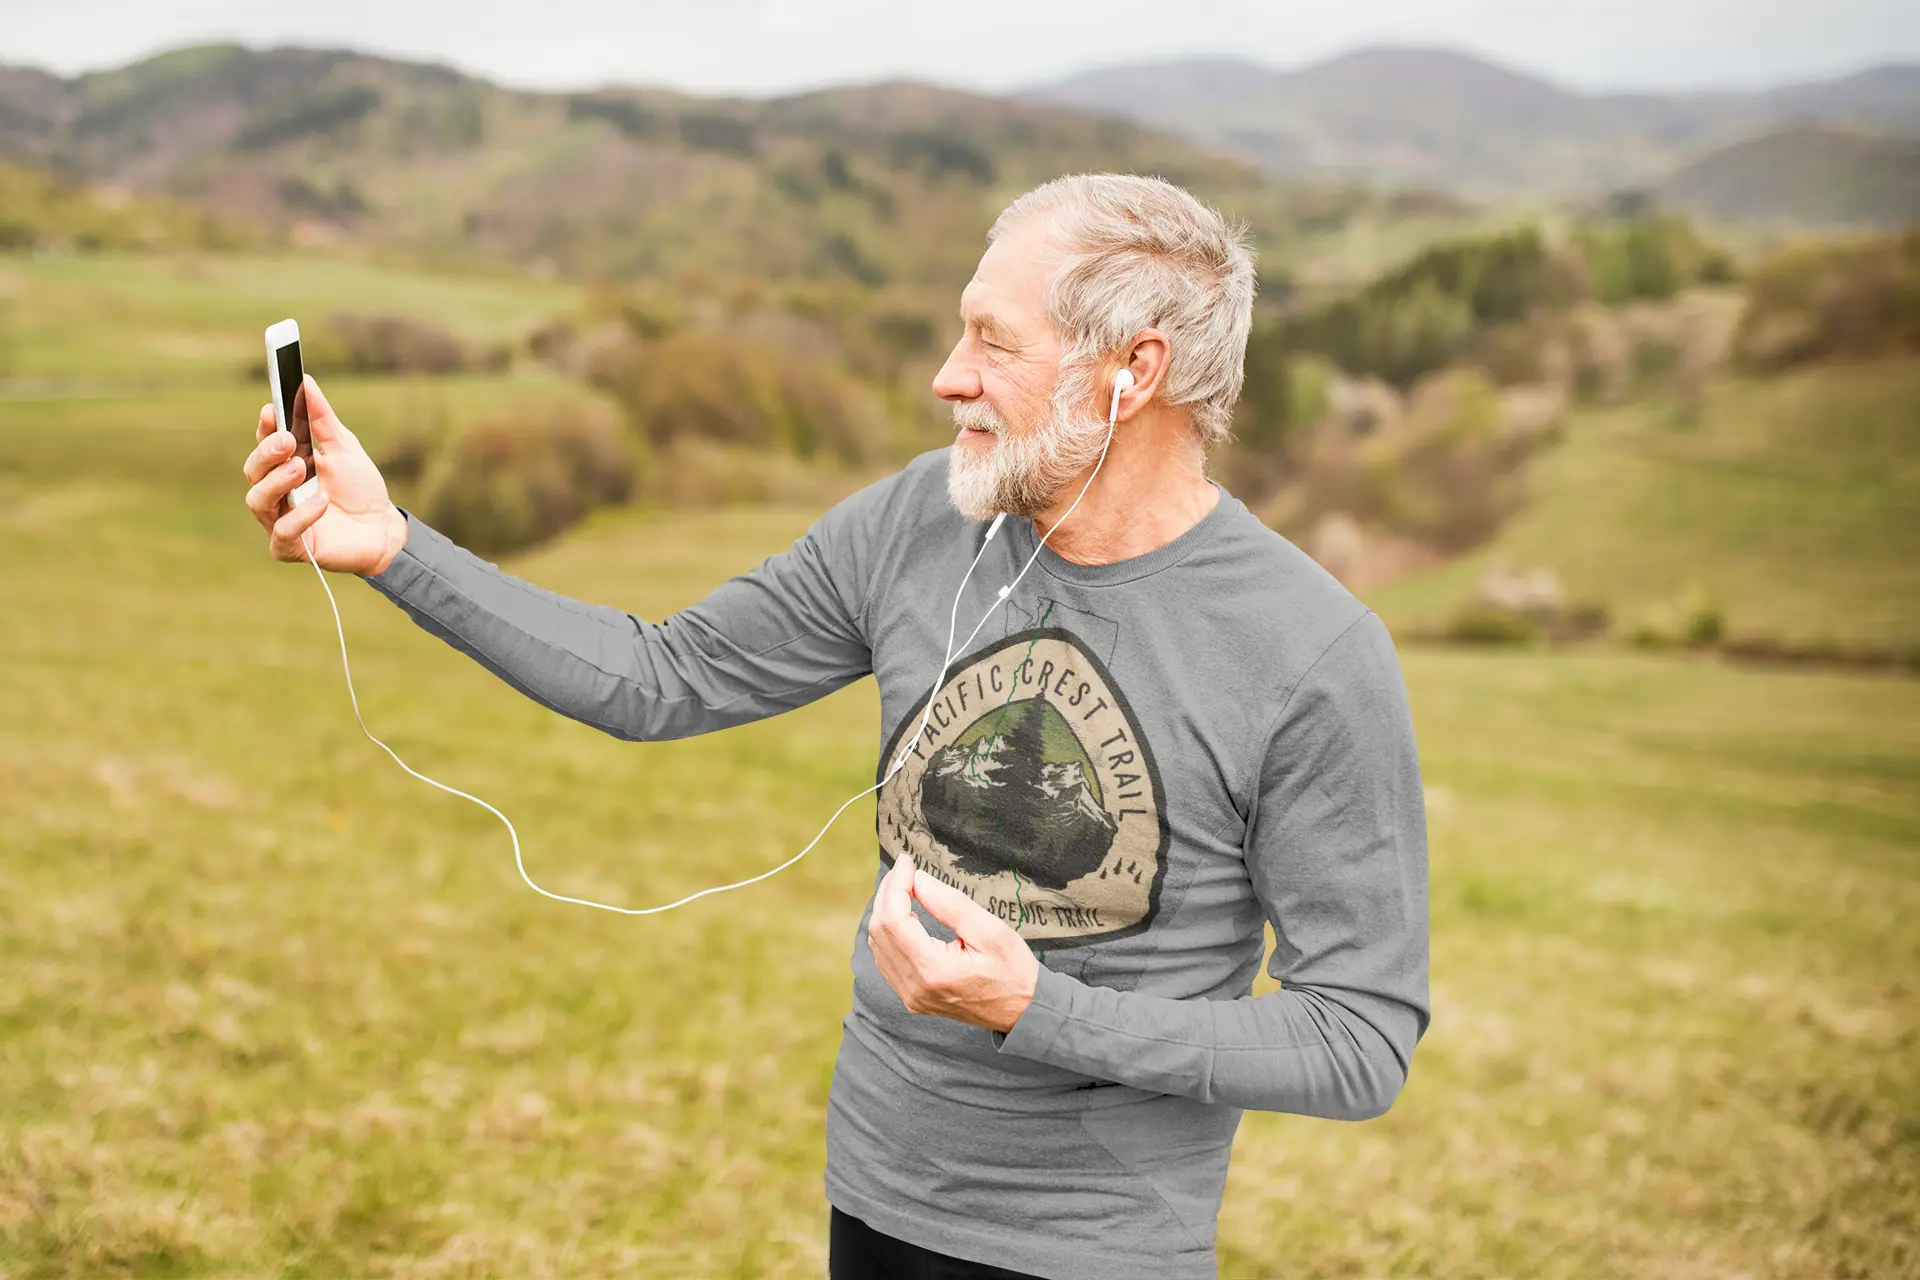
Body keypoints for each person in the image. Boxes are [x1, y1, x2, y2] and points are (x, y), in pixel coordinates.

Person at [239, 172, 1431, 1280]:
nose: (947, 376)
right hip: (875, 1191)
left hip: (1097, 1243)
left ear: (1132, 370)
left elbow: (1357, 1038)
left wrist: (1036, 1008)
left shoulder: (1313, 653)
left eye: (992, 340)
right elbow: (660, 674)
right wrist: (395, 547)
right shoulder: (921, 518)